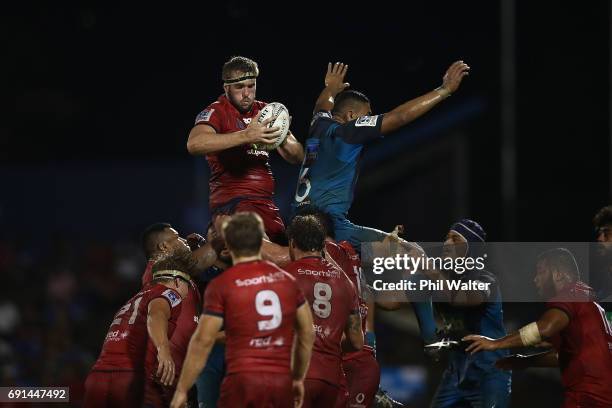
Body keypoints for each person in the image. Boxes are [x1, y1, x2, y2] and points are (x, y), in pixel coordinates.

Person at [293, 61, 469, 248]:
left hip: (296, 222)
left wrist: (330, 88)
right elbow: (399, 117)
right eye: (367, 114)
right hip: (329, 228)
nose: (370, 118)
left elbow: (321, 105)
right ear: (352, 116)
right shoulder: (348, 133)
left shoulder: (318, 126)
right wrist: (444, 90)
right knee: (412, 253)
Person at [170, 212, 315, 408]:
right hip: (280, 378)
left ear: (228, 243)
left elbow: (203, 340)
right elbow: (307, 332)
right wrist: (297, 378)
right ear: (261, 241)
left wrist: (181, 390)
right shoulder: (287, 281)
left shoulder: (222, 284)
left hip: (242, 379)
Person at [464, 248, 612, 408]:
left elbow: (544, 328)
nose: (535, 279)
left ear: (558, 274)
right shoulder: (586, 297)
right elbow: (562, 356)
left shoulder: (570, 294)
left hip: (588, 397)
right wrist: (525, 361)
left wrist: (495, 343)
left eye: (540, 272)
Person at [187, 56, 304, 243]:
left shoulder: (266, 111)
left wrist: (281, 137)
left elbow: (298, 157)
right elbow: (194, 144)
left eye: (251, 86)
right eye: (240, 87)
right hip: (233, 204)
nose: (247, 93)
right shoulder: (217, 112)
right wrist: (246, 135)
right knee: (265, 252)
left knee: (294, 250)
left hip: (267, 205)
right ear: (226, 88)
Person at [84, 248, 191, 407]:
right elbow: (156, 315)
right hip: (129, 377)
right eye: (187, 284)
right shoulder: (170, 294)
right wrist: (164, 350)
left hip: (97, 377)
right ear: (177, 281)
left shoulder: (133, 300)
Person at [424, 219, 511, 408]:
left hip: (489, 374)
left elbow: (462, 299)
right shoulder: (440, 280)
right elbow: (394, 301)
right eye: (446, 238)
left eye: (455, 239)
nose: (447, 244)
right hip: (456, 374)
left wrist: (431, 272)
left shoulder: (486, 279)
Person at [283, 215, 363, 408]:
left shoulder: (285, 276)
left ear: (292, 243)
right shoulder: (346, 284)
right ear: (323, 246)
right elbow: (357, 341)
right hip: (331, 381)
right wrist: (327, 341)